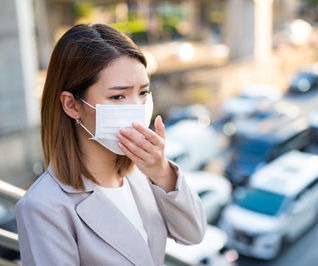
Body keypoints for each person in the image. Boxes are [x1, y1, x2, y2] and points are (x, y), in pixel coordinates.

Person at [15, 24, 206, 266]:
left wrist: (162, 170)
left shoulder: (142, 176)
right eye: (118, 96)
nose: (136, 108)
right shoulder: (42, 207)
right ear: (72, 105)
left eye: (144, 92)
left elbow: (193, 233)